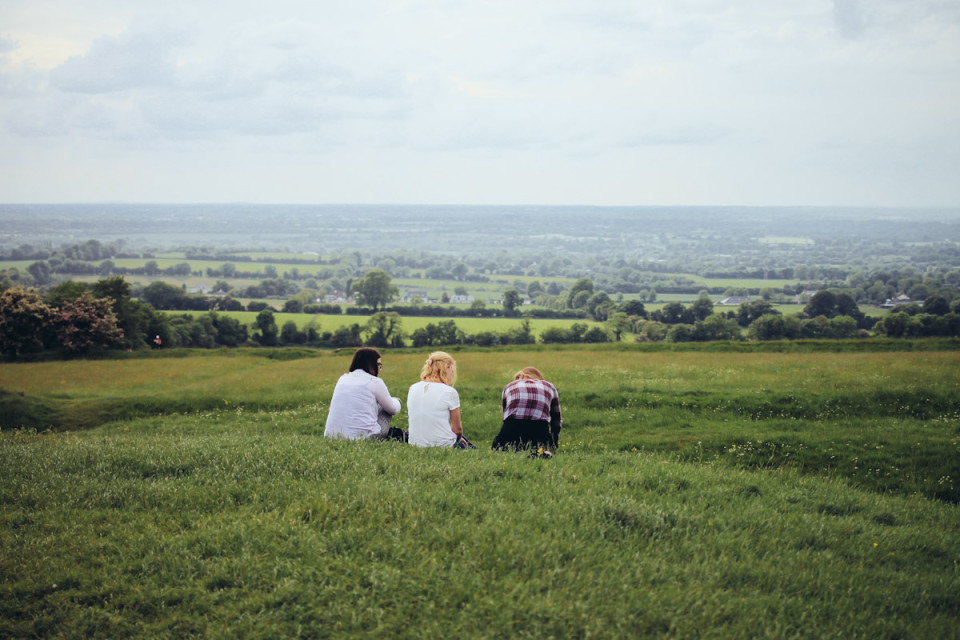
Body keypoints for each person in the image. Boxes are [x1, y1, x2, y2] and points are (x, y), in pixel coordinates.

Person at [323, 348, 405, 441]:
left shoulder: (342, 379)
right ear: (370, 364)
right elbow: (392, 410)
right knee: (388, 405)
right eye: (378, 364)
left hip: (332, 436)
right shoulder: (374, 382)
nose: (380, 368)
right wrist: (397, 401)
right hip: (363, 438)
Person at [407, 351, 475, 448]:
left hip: (415, 444)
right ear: (447, 368)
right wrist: (457, 438)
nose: (452, 374)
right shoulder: (449, 392)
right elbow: (457, 430)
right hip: (442, 446)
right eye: (452, 370)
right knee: (468, 445)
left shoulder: (413, 388)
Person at [492, 366, 562, 457]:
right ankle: (543, 453)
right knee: (543, 450)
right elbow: (556, 419)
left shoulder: (509, 386)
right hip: (539, 428)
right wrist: (554, 442)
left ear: (521, 376)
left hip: (512, 426)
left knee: (498, 449)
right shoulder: (549, 386)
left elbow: (505, 416)